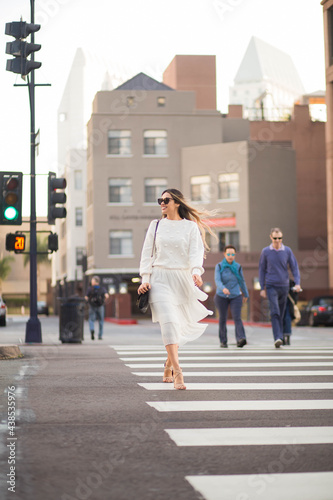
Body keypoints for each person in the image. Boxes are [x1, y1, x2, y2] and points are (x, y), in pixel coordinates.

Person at [138, 188, 213, 390]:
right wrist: (145, 279)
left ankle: (168, 364)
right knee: (169, 322)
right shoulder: (155, 226)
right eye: (159, 200)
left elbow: (195, 253)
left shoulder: (190, 227)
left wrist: (196, 272)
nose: (162, 203)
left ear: (177, 203)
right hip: (160, 278)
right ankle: (178, 371)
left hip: (182, 279)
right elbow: (147, 255)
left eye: (166, 200)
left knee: (178, 325)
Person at [259, 227, 301, 348]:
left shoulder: (287, 251)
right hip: (271, 286)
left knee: (282, 313)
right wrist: (262, 287)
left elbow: (294, 268)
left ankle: (281, 335)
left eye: (280, 238)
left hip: (284, 286)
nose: (277, 240)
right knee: (275, 312)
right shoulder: (266, 252)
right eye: (275, 238)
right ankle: (277, 337)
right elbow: (262, 270)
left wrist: (297, 283)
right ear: (271, 237)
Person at [214, 245, 249, 348]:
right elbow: (217, 280)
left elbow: (241, 281)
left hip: (235, 295)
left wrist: (245, 293)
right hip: (221, 296)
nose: (230, 256)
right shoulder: (219, 266)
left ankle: (241, 339)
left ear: (235, 255)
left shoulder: (238, 267)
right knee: (223, 318)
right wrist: (223, 288)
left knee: (237, 317)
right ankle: (223, 341)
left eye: (232, 254)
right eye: (228, 254)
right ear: (224, 254)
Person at [282, 279, 299, 345]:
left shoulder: (281, 281)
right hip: (289, 304)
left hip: (285, 303)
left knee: (283, 319)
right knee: (287, 319)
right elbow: (295, 295)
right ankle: (287, 338)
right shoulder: (291, 282)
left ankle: (283, 337)